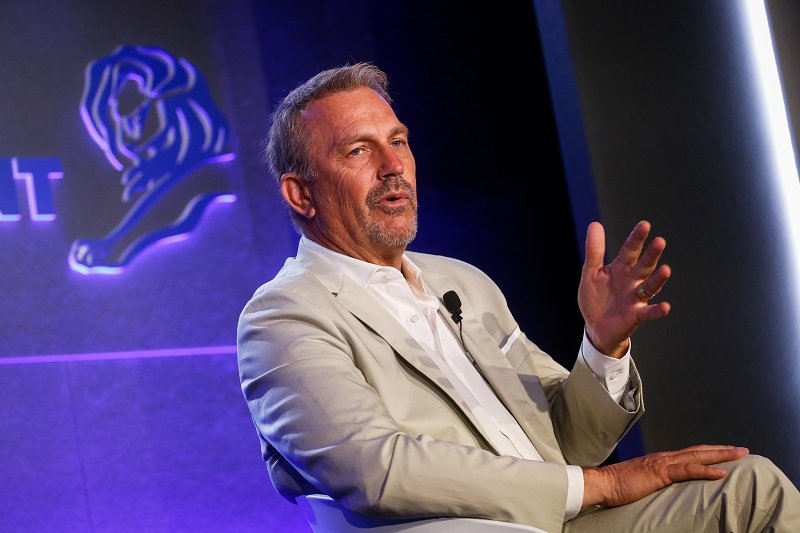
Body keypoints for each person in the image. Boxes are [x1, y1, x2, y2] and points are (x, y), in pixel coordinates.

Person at [236, 62, 800, 532]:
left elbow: (572, 441)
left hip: (553, 518)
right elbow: (374, 470)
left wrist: (603, 347)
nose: (393, 168)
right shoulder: (285, 315)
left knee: (750, 486)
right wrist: (604, 486)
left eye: (398, 141)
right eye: (358, 151)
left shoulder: (462, 281)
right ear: (300, 193)